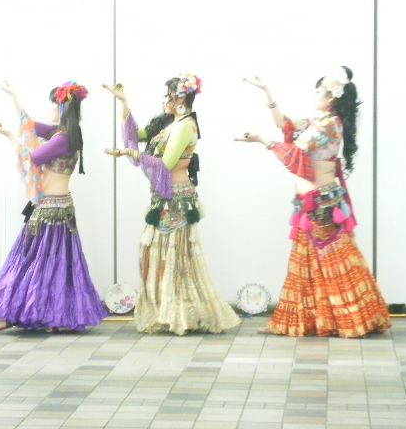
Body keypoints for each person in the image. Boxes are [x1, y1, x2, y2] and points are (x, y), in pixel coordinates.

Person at [237, 66, 391, 338]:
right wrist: (266, 90)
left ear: (331, 96)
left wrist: (262, 141)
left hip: (321, 204)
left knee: (333, 262)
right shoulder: (321, 122)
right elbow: (283, 124)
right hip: (311, 203)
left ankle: (354, 320)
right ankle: (318, 321)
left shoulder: (328, 125)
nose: (314, 96)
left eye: (318, 91)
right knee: (312, 265)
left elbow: (295, 152)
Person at [104, 74, 241, 335]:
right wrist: (124, 103)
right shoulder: (170, 124)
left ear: (181, 98)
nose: (165, 100)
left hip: (177, 199)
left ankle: (184, 316)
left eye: (169, 95)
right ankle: (170, 314)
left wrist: (131, 153)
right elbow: (137, 134)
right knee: (156, 257)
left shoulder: (186, 126)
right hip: (163, 198)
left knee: (175, 258)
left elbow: (166, 164)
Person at [0, 80, 108, 333]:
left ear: (63, 109)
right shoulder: (62, 134)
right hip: (55, 208)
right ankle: (44, 317)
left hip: (51, 210)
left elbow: (33, 158)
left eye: (53, 106)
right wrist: (14, 96)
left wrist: (11, 138)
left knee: (34, 262)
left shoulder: (63, 138)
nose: (49, 110)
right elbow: (30, 125)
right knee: (50, 264)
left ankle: (45, 317)